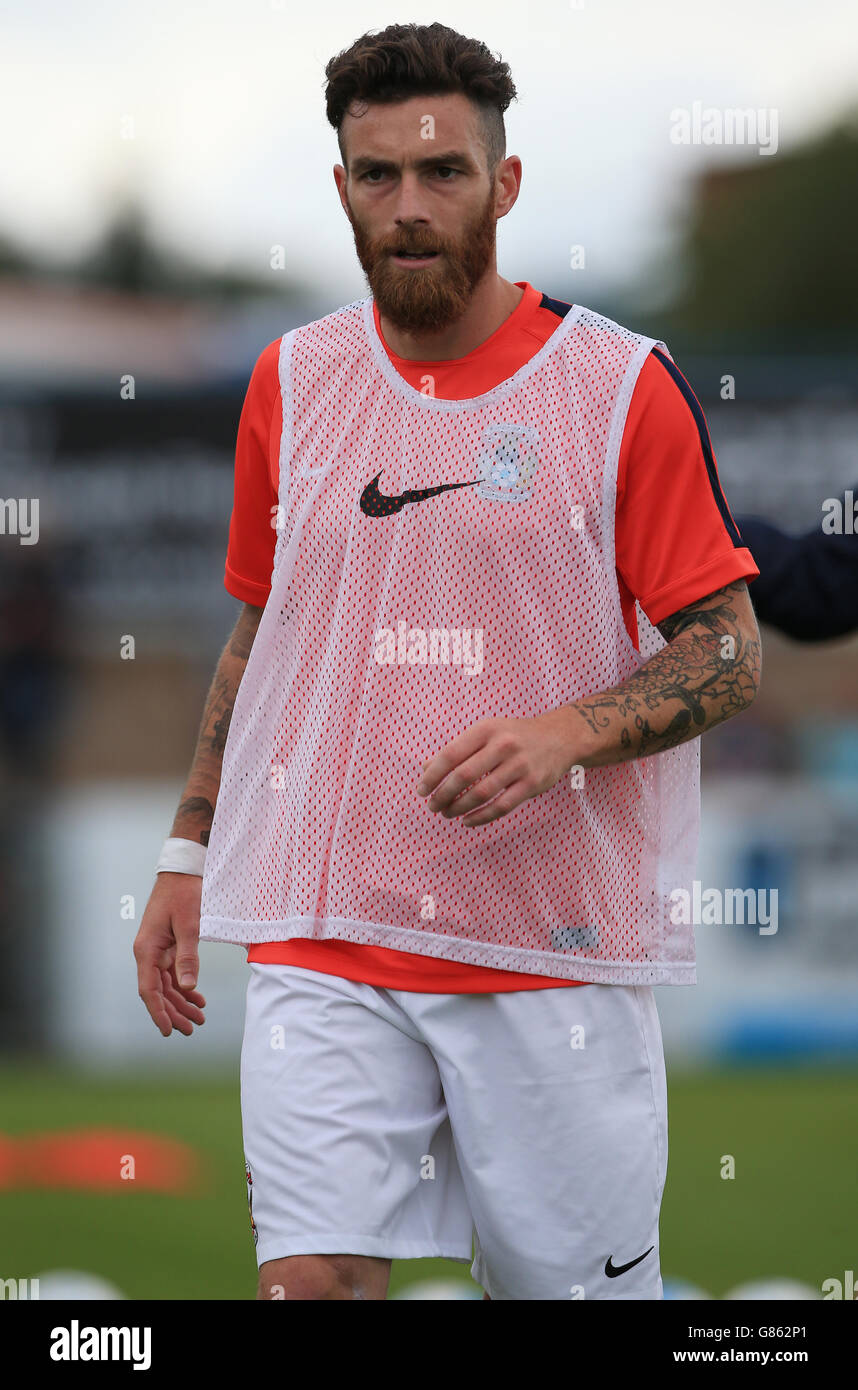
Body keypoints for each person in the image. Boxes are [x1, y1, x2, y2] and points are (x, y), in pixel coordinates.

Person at [134, 22, 762, 1301]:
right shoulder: (291, 383)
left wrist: (564, 732)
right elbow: (264, 630)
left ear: (506, 183)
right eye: (379, 176)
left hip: (551, 958)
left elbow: (729, 650)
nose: (409, 207)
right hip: (328, 938)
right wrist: (188, 851)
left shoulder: (622, 389)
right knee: (310, 1285)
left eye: (443, 173)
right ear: (342, 190)